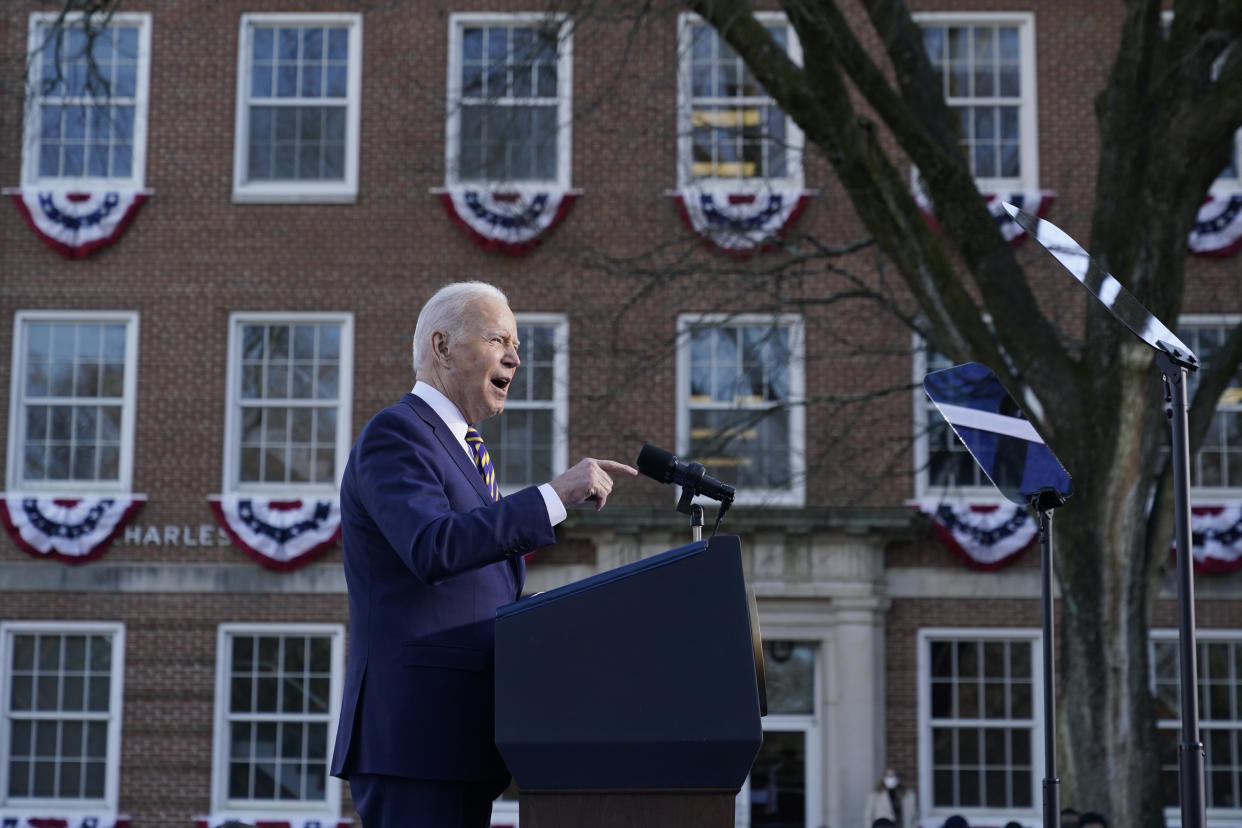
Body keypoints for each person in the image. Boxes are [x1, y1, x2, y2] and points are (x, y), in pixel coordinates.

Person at [329, 281, 638, 827]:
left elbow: (475, 583)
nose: (515, 358)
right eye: (499, 340)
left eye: (515, 345)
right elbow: (433, 546)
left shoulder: (468, 452)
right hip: (415, 740)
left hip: (459, 741)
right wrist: (554, 495)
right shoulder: (397, 433)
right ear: (442, 347)